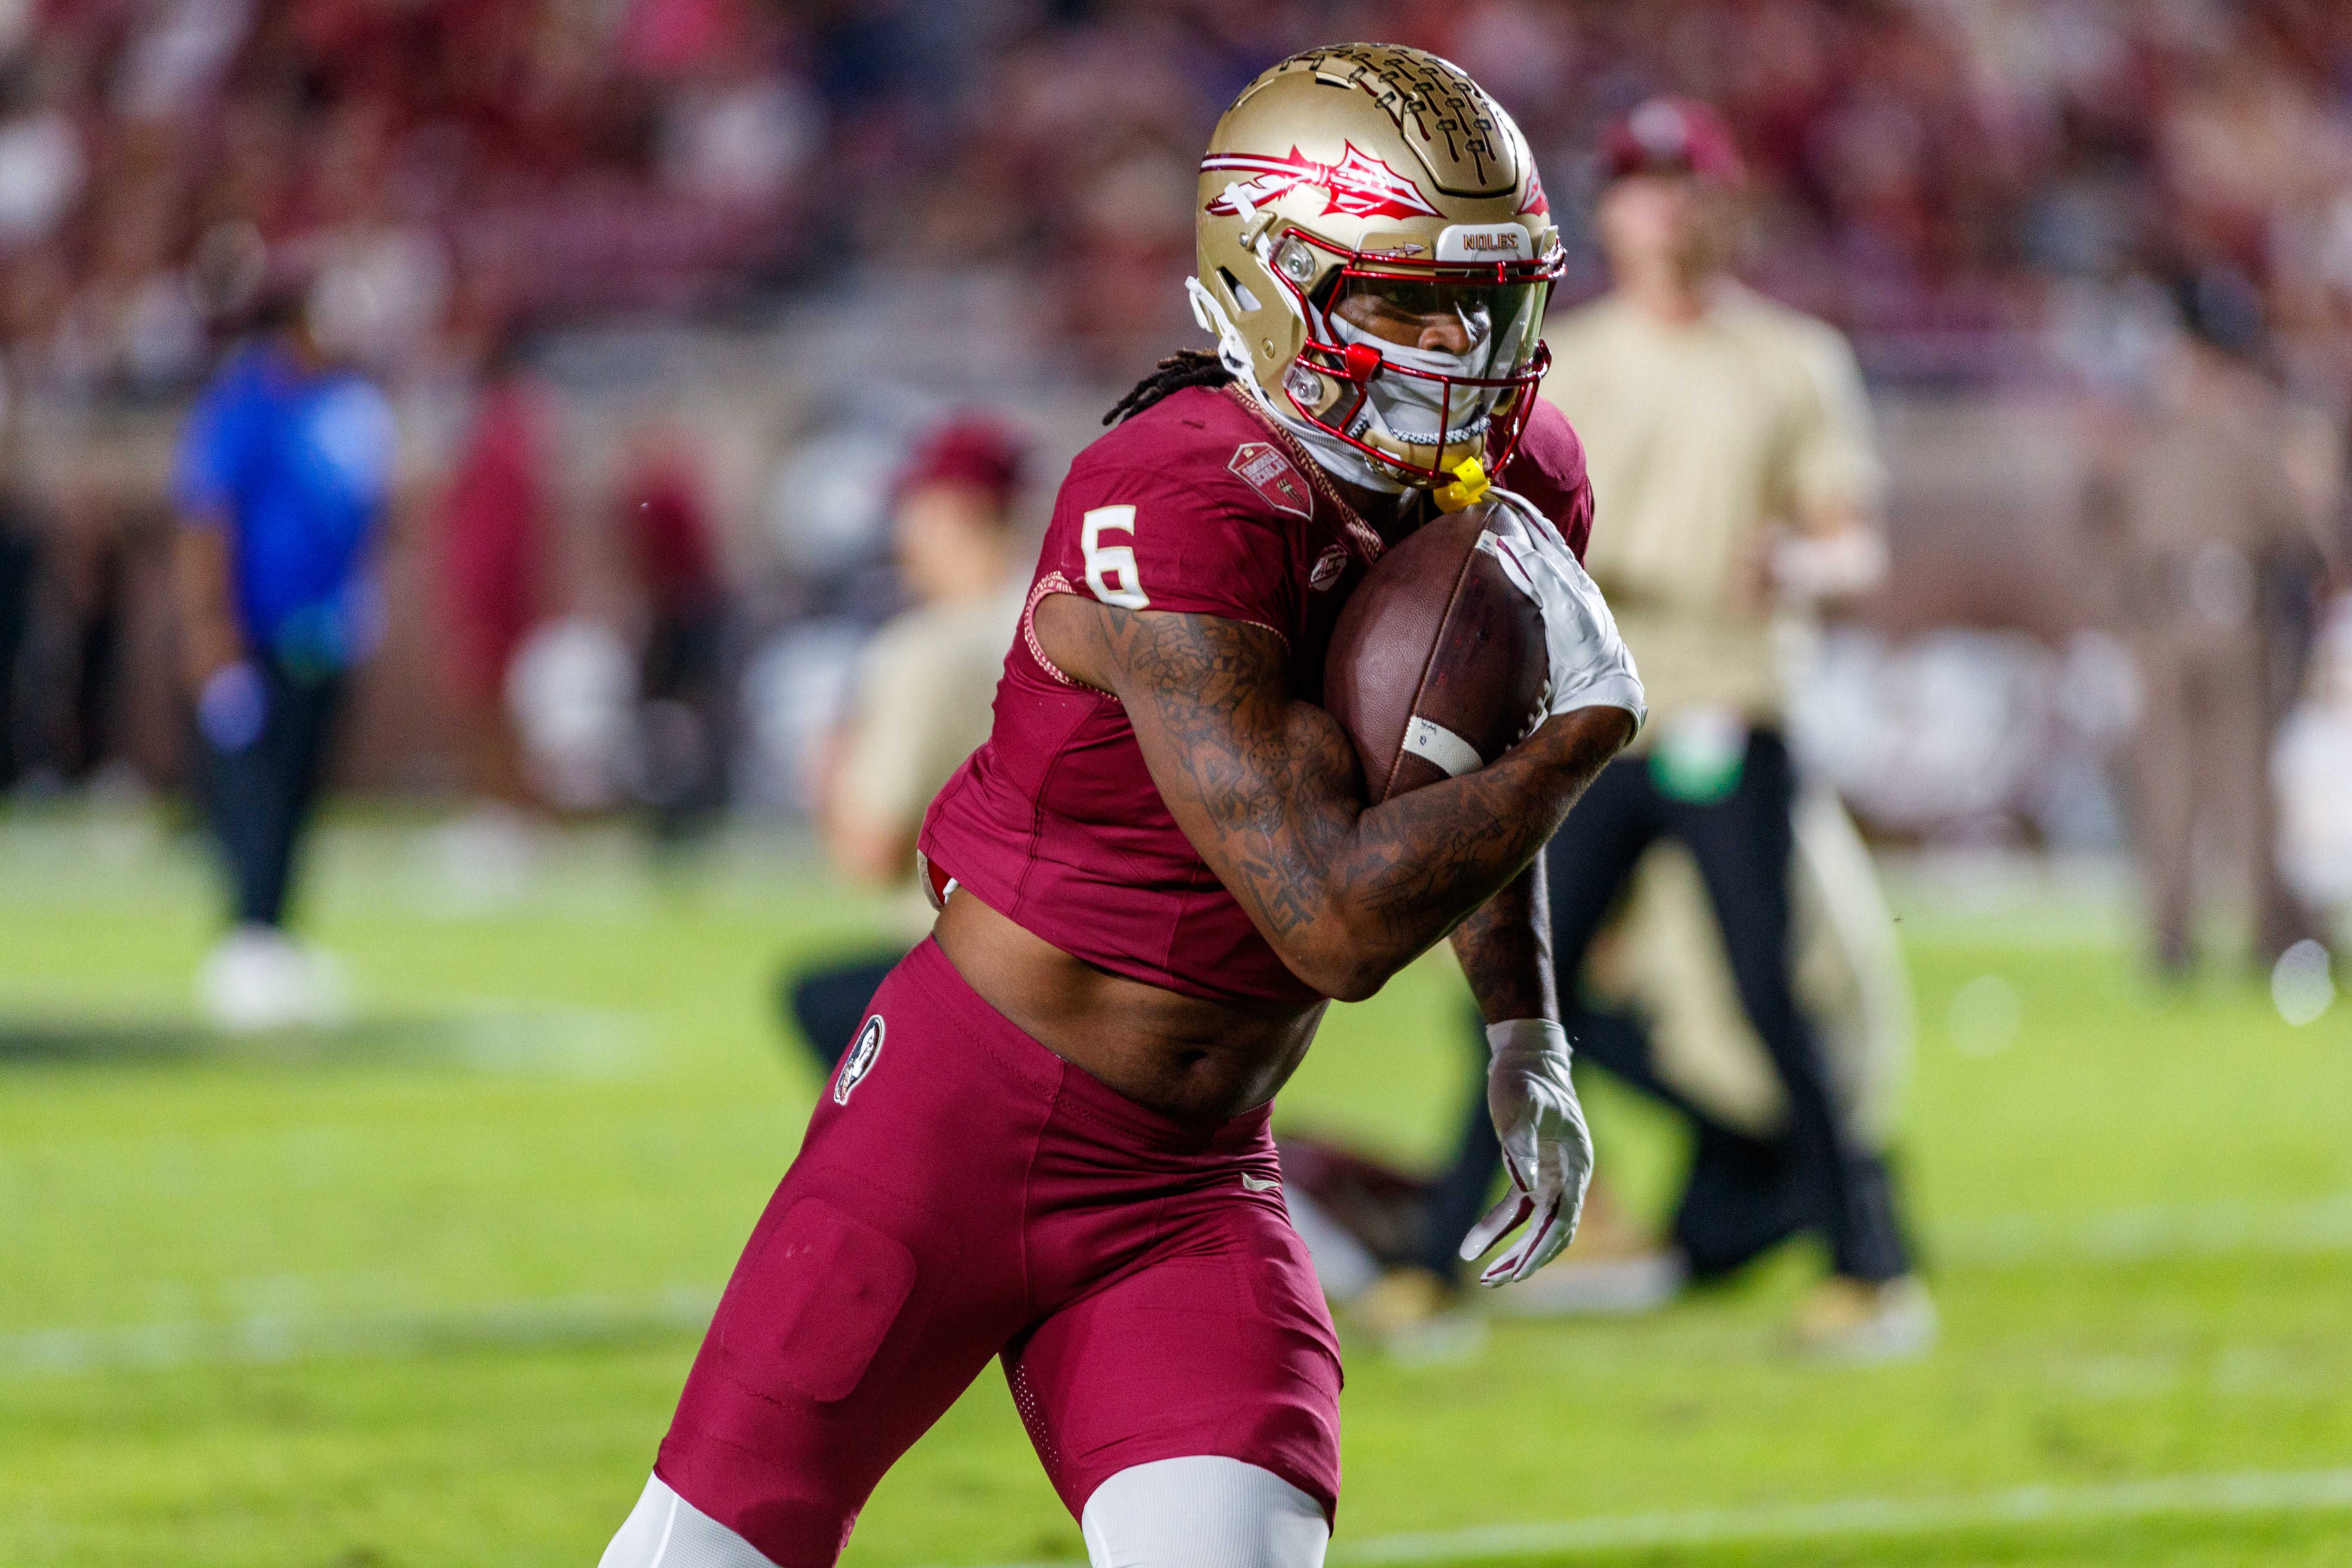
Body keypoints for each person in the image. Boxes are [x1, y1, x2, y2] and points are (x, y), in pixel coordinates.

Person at [600, 44, 1644, 1568]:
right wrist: (1585, 732)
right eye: (1408, 298)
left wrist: (1523, 1025)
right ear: (1272, 283)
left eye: (1489, 299)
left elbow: (1451, 774)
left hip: (1195, 1169)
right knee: (708, 1551)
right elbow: (1340, 918)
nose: (1465, 349)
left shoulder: (1512, 471)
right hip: (954, 1125)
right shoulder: (1176, 495)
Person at [1378, 98, 1929, 1361]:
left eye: (1687, 184)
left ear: (1726, 207)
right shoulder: (1563, 364)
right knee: (1520, 991)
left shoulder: (1791, 359)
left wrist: (1793, 557)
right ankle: (1440, 1257)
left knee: (1767, 993)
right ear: (1608, 211)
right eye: (1640, 184)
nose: (1664, 208)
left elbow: (1853, 543)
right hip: (1592, 721)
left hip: (1731, 709)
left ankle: (1872, 1265)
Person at [2088, 267, 2341, 976]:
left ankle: (2210, 937)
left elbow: (2103, 525)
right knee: (2214, 785)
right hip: (2205, 618)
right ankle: (2216, 936)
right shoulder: (2250, 427)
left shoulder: (2168, 429)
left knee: (2214, 786)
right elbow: (2304, 533)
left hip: (2191, 619)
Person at [170, 283, 397, 1031]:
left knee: (303, 786)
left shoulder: (344, 409)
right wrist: (214, 640)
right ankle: (247, 935)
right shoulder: (246, 407)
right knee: (253, 790)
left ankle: (276, 931)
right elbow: (208, 523)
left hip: (323, 632)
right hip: (258, 633)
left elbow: (361, 519)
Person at [781, 416, 1028, 1074]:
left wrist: (828, 776)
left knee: (816, 1001)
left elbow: (873, 850)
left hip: (975, 971)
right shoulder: (1066, 620)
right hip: (1091, 952)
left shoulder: (924, 652)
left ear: (950, 513)